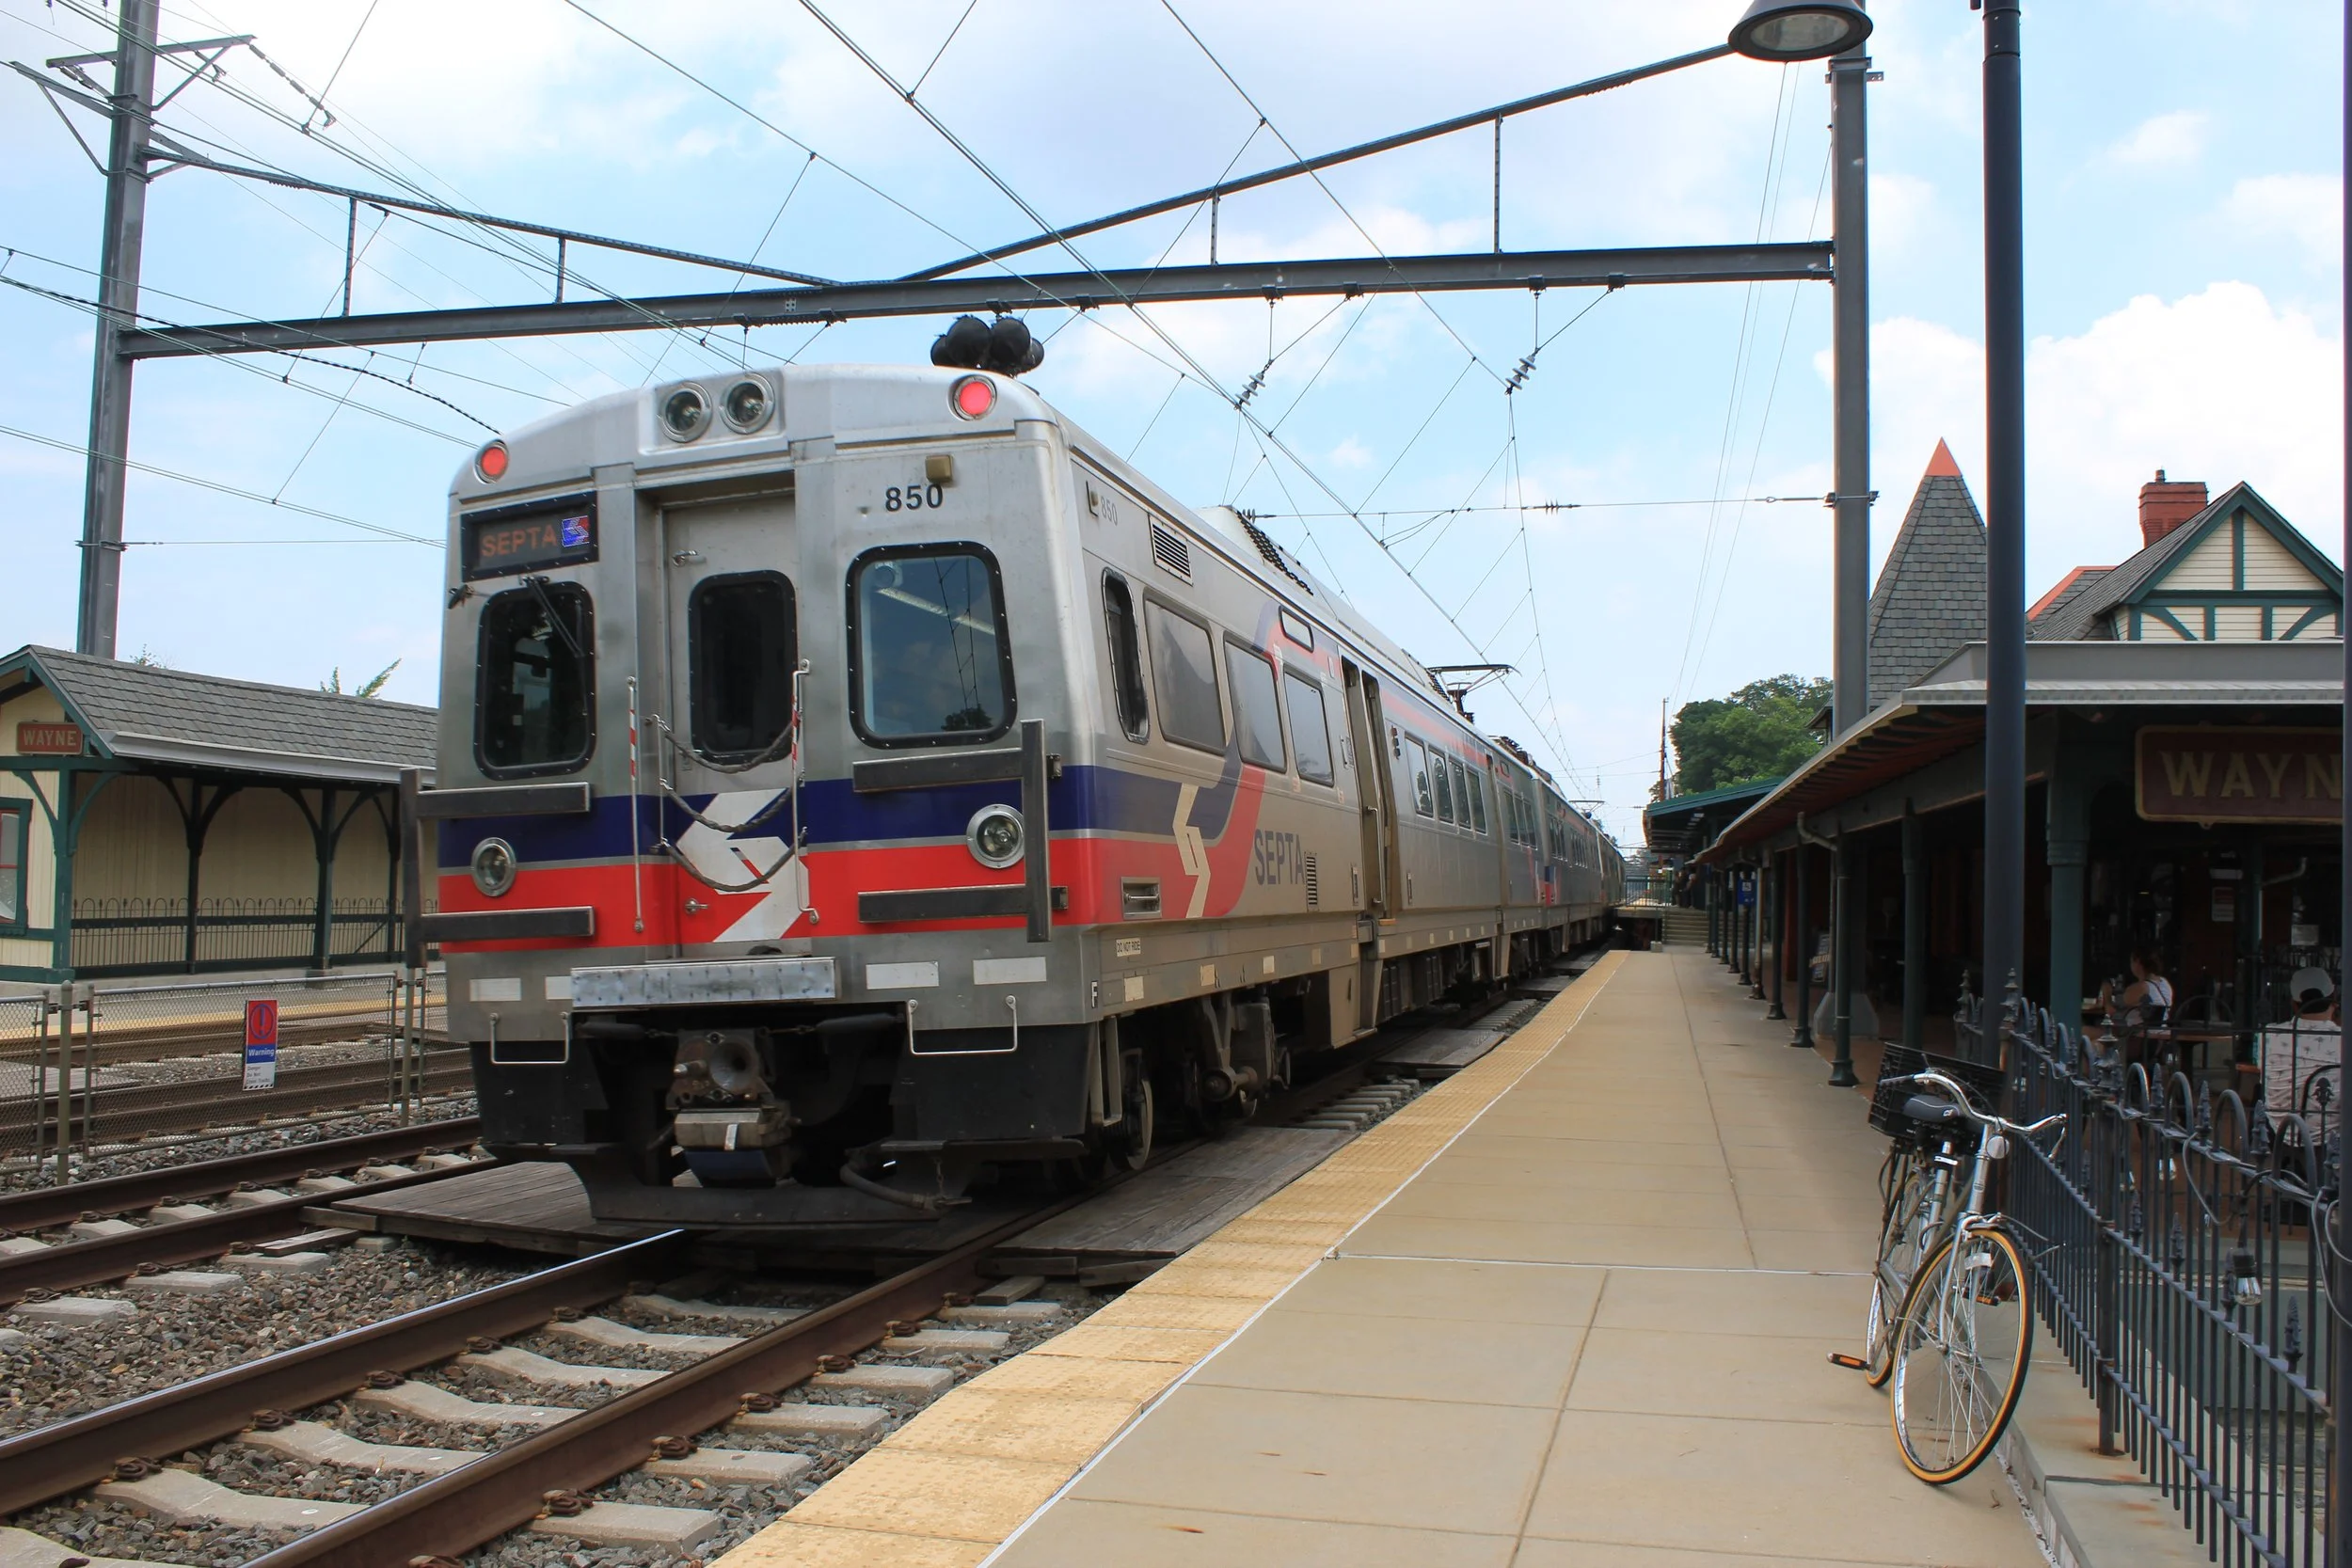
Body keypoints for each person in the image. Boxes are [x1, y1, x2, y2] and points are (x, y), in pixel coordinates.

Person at [2263, 974, 2341, 1120]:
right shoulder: (2344, 1039)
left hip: (2280, 1128)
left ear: (2294, 1004)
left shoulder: (2269, 1034)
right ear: (2334, 1002)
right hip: (2332, 1131)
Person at [2097, 948, 2174, 1031]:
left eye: (2131, 962)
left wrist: (2107, 993)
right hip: (2162, 1032)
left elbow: (2113, 1009)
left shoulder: (2141, 987)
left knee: (2089, 1029)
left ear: (2137, 962)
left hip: (2139, 1034)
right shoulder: (2164, 982)